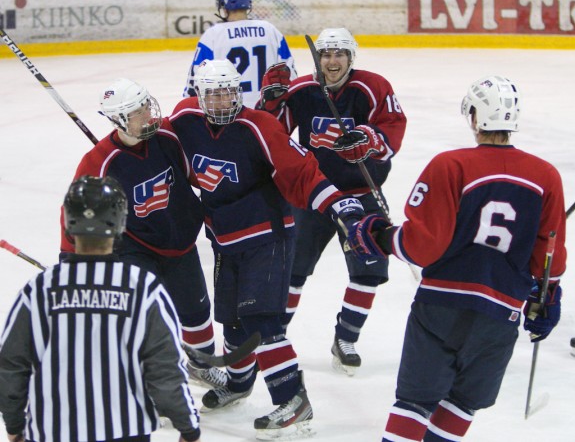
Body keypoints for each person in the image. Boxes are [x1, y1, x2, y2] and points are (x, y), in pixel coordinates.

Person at [342, 76, 567, 441]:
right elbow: (549, 257)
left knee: (415, 402)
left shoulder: (451, 164)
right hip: (502, 311)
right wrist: (546, 299)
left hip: (442, 305)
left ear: (476, 117)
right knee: (464, 401)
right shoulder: (547, 176)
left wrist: (382, 237)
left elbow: (422, 245)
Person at [168, 58, 367, 440]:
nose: (224, 100)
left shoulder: (259, 125)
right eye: (215, 93)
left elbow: (302, 170)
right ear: (199, 95)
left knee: (262, 321)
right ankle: (240, 383)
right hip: (225, 238)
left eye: (229, 92)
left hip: (267, 236)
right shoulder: (184, 122)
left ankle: (293, 400)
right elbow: (159, 147)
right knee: (233, 322)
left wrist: (340, 203)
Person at [0, 176, 202, 442]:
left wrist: (14, 425)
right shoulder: (143, 288)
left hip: (53, 431)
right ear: (119, 223)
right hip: (126, 431)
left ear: (69, 223)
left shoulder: (38, 290)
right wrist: (188, 427)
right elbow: (165, 369)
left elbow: (11, 365)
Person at [257, 27, 407, 375]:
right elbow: (271, 135)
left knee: (369, 270)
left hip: (361, 192)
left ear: (351, 58)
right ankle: (275, 335)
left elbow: (392, 130)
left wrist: (367, 140)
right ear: (317, 59)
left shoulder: (373, 86)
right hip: (314, 194)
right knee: (292, 271)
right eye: (326, 54)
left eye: (339, 54)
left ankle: (346, 338)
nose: (332, 60)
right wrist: (271, 101)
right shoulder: (302, 90)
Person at [60, 78, 226, 389]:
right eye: (139, 112)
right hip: (134, 246)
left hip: (180, 241)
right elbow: (73, 211)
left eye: (147, 105)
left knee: (197, 311)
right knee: (144, 316)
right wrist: (70, 258)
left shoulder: (166, 135)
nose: (149, 114)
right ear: (120, 119)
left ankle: (201, 366)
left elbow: (196, 174)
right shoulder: (99, 162)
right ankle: (150, 382)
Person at [182, 0, 297, 108]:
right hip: (269, 110)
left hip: (228, 111)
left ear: (223, 5)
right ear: (248, 3)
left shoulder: (213, 35)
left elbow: (195, 80)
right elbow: (290, 72)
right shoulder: (270, 30)